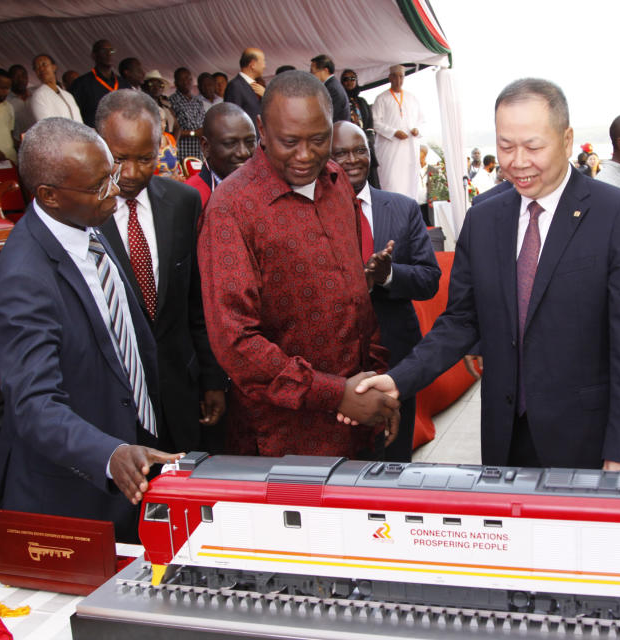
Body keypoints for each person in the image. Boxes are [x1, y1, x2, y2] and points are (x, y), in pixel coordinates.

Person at [349, 78, 620, 470]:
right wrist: (398, 380)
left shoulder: (617, 215)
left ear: (566, 140)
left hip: (589, 439)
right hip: (506, 437)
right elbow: (461, 321)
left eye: (533, 146)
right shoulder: (484, 219)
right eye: (505, 146)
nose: (517, 161)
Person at [0, 117, 182, 542]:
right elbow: (33, 404)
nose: (114, 190)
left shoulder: (89, 224)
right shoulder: (25, 275)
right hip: (73, 498)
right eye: (100, 185)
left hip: (132, 465)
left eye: (110, 174)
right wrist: (108, 453)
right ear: (49, 196)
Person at [198, 70, 400, 458]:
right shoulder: (231, 209)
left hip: (357, 420)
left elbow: (355, 294)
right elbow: (235, 342)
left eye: (318, 140)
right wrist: (334, 394)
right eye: (289, 142)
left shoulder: (338, 181)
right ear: (262, 128)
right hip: (284, 438)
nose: (305, 155)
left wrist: (375, 384)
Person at [94, 90, 227, 454]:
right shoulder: (82, 215)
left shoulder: (182, 202)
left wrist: (211, 379)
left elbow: (195, 303)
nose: (133, 173)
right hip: (114, 402)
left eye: (146, 158)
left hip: (179, 394)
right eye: (119, 159)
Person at [331, 120, 440, 462]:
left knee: (395, 461)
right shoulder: (308, 213)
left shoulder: (403, 208)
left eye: (360, 150)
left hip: (395, 358)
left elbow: (429, 279)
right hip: (336, 366)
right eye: (341, 153)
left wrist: (388, 274)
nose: (352, 159)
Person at [186, 102, 256, 207]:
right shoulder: (190, 198)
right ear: (206, 147)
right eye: (230, 143)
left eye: (250, 142)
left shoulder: (268, 188)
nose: (243, 153)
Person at [373, 65, 424, 200]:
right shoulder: (381, 98)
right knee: (392, 183)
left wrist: (416, 130)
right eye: (395, 76)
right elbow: (376, 123)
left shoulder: (411, 98)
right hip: (390, 150)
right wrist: (394, 132)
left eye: (401, 76)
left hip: (409, 150)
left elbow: (421, 121)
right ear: (390, 77)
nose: (398, 79)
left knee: (410, 184)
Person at [70, 40, 122, 128]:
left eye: (111, 51)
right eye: (103, 50)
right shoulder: (81, 84)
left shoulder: (123, 84)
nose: (108, 54)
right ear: (94, 55)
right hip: (94, 136)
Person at [30, 54, 83, 123]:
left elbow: (79, 121)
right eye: (37, 67)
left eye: (44, 64)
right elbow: (46, 125)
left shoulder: (68, 95)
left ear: (54, 67)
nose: (41, 69)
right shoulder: (38, 95)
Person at [169, 67, 206, 161]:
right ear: (175, 83)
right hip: (182, 154)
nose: (186, 82)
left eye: (188, 78)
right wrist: (193, 133)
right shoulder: (171, 101)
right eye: (182, 79)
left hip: (199, 153)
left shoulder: (198, 102)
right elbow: (171, 131)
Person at [224, 47, 265, 128]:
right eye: (263, 61)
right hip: (246, 138)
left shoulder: (257, 86)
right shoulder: (235, 86)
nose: (264, 66)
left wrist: (266, 95)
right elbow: (232, 119)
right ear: (253, 64)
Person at [310, 54, 350, 123]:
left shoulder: (332, 89)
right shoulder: (331, 85)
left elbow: (326, 116)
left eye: (313, 72)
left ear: (325, 70)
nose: (311, 75)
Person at [6, 64, 34, 142]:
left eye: (23, 75)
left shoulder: (36, 96)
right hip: (19, 144)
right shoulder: (7, 101)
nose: (21, 79)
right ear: (10, 79)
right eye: (16, 76)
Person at [141, 70, 175, 134]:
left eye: (160, 85)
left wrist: (173, 141)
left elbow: (177, 126)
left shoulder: (166, 105)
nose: (156, 87)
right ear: (144, 86)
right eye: (151, 84)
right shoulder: (141, 104)